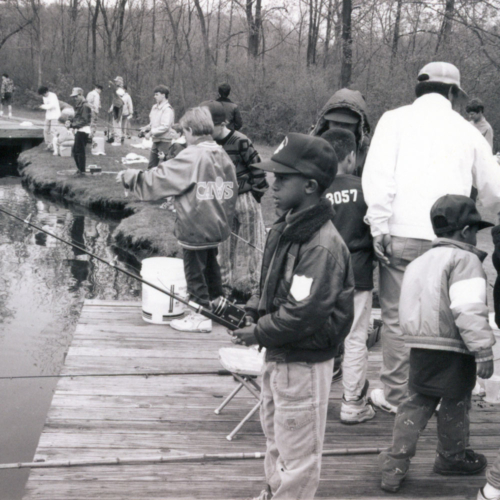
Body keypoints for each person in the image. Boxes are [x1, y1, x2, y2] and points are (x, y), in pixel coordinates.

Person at [362, 61, 500, 414]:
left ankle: (395, 395)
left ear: (418, 90)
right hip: (452, 241)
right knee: (451, 319)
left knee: (395, 318)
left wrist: (378, 224)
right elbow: (493, 189)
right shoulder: (467, 130)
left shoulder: (393, 120)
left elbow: (377, 175)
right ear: (453, 93)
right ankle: (439, 396)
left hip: (402, 234)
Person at [232, 133, 354, 500]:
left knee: (299, 454)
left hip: (302, 361)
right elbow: (269, 281)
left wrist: (258, 332)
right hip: (281, 355)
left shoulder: (320, 245)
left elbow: (303, 314)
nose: (273, 185)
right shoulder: (287, 227)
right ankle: (273, 492)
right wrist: (252, 309)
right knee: (276, 436)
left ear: (311, 186)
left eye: (283, 179)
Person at [379, 194, 495, 493]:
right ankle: (451, 457)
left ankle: (394, 465)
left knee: (416, 401)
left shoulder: (420, 261)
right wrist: (482, 349)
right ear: (467, 231)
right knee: (455, 403)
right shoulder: (465, 260)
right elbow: (468, 307)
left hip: (420, 344)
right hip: (453, 346)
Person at [117, 107, 237, 333]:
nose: (184, 137)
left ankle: (200, 314)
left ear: (191, 130)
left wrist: (130, 177)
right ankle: (217, 304)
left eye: (184, 133)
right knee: (211, 265)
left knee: (193, 270)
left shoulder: (192, 155)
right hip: (217, 225)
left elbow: (162, 177)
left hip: (196, 224)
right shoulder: (221, 153)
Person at [322, 128, 375, 424]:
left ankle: (309, 397)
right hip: (358, 272)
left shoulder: (316, 189)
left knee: (317, 332)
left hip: (322, 272)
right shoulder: (367, 188)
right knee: (355, 339)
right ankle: (353, 403)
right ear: (352, 156)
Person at [203, 100, 268, 300]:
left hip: (246, 199)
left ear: (222, 124)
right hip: (223, 202)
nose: (205, 131)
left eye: (209, 127)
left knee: (253, 245)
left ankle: (256, 289)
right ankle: (224, 288)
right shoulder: (207, 145)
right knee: (223, 247)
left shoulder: (240, 140)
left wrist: (255, 193)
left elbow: (257, 167)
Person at [311, 88, 371, 174]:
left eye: (347, 125)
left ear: (359, 127)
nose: (340, 129)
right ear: (326, 123)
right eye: (335, 123)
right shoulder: (311, 149)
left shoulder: (369, 156)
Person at [140, 85, 175, 169]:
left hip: (165, 141)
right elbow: (153, 123)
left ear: (163, 95)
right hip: (156, 140)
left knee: (165, 166)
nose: (154, 96)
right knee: (151, 165)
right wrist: (146, 128)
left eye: (157, 94)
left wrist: (151, 133)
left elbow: (165, 126)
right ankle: (150, 181)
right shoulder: (154, 107)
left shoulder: (167, 109)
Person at [67, 87, 92, 175]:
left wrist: (72, 125)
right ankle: (80, 170)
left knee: (79, 151)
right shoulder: (79, 105)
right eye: (73, 97)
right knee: (75, 151)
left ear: (81, 95)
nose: (74, 98)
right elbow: (77, 117)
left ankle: (81, 171)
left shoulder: (85, 106)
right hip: (79, 130)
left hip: (83, 131)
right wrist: (70, 121)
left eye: (76, 96)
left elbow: (84, 121)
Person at [38, 85, 61, 152]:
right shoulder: (44, 97)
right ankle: (49, 145)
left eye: (43, 94)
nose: (43, 95)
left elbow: (51, 106)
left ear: (46, 91)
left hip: (55, 116)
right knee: (46, 130)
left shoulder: (53, 95)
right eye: (42, 95)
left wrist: (42, 106)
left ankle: (54, 146)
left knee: (53, 131)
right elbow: (47, 106)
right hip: (48, 116)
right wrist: (44, 106)